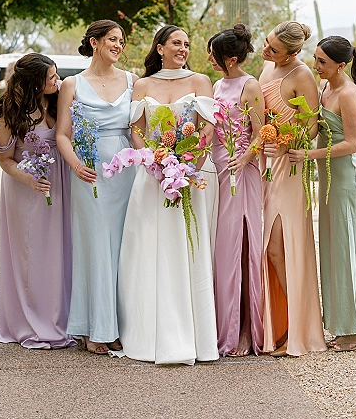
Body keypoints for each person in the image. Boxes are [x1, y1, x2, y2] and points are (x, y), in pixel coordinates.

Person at [117, 25, 219, 365]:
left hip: (188, 175)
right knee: (148, 248)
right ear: (159, 47)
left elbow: (207, 127)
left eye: (187, 44)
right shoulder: (142, 85)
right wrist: (152, 161)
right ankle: (148, 334)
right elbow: (136, 129)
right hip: (151, 176)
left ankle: (191, 337)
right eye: (176, 42)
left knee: (186, 247)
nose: (183, 48)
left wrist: (189, 163)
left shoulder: (200, 81)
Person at [288, 36, 356, 351]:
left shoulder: (347, 92)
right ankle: (347, 323)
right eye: (315, 59)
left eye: (322, 62)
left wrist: (308, 157)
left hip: (348, 179)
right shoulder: (324, 89)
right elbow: (316, 128)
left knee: (348, 250)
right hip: (329, 180)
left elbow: (352, 144)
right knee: (334, 249)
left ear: (341, 65)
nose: (315, 66)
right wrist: (291, 135)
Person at [56, 20, 136, 354]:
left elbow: (139, 126)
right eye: (112, 40)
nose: (118, 46)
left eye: (121, 41)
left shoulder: (133, 80)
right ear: (94, 42)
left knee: (124, 248)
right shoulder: (72, 84)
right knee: (96, 247)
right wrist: (75, 164)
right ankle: (94, 328)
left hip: (126, 172)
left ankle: (120, 324)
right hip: (88, 172)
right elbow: (62, 133)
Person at [0, 53, 76, 349]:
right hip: (27, 187)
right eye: (51, 77)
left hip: (60, 183)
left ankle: (59, 317)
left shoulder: (57, 102)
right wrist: (28, 178)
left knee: (59, 252)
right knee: (31, 254)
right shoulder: (9, 111)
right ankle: (28, 322)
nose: (57, 81)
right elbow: (5, 160)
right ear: (33, 82)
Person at [259, 21, 326, 357]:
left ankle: (299, 329)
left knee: (279, 248)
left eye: (273, 49)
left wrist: (284, 142)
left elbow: (311, 127)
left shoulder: (303, 75)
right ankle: (280, 327)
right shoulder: (267, 67)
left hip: (289, 168)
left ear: (294, 52)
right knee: (268, 250)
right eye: (267, 43)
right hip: (265, 166)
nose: (265, 51)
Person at [208, 24, 264, 356]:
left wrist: (244, 159)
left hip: (241, 172)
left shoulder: (250, 84)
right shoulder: (216, 84)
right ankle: (221, 324)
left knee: (241, 246)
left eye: (214, 54)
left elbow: (261, 131)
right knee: (222, 250)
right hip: (217, 169)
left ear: (230, 58)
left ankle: (244, 330)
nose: (210, 59)